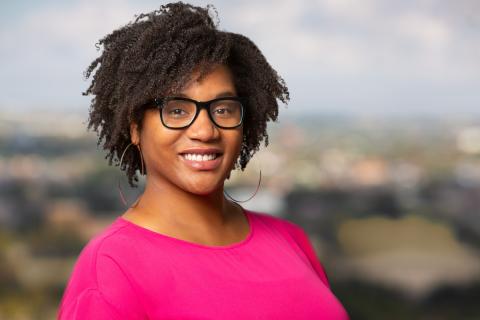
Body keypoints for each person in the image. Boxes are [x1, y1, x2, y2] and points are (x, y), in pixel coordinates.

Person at [58, 2, 349, 319]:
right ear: (135, 128)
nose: (205, 130)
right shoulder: (112, 271)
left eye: (223, 109)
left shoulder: (291, 240)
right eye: (177, 110)